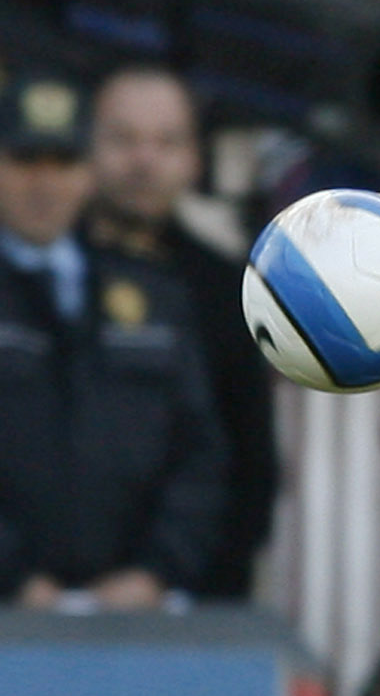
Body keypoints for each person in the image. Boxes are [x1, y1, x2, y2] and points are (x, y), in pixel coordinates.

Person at [0, 73, 225, 611]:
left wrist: (156, 571)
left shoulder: (150, 291)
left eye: (65, 164)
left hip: (133, 612)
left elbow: (200, 452)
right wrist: (13, 576)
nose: (45, 184)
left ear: (90, 175)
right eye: (25, 162)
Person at [82, 63, 275, 603]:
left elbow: (249, 460)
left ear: (194, 159)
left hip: (191, 608)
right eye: (123, 139)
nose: (144, 160)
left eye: (166, 142)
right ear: (87, 145)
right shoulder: (34, 276)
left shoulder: (228, 289)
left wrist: (175, 579)